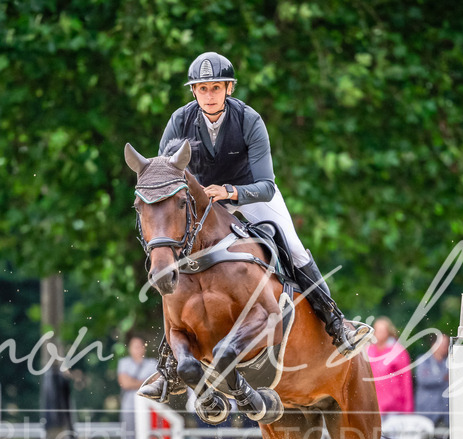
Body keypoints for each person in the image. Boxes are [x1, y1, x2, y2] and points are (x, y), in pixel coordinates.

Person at [139, 51, 370, 402]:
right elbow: (164, 174)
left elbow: (267, 185)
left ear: (229, 88)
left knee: (292, 245)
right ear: (194, 91)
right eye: (203, 89)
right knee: (171, 258)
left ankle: (336, 323)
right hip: (201, 202)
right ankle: (171, 364)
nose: (209, 95)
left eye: (216, 88)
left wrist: (230, 192)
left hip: (248, 193)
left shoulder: (249, 120)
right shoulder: (179, 120)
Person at [118, 334, 159, 439]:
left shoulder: (152, 363)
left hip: (149, 411)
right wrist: (144, 382)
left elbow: (156, 384)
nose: (137, 349)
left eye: (140, 346)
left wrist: (134, 382)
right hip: (129, 409)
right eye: (134, 346)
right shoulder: (124, 363)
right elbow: (125, 383)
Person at [366, 317, 413, 415]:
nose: (378, 333)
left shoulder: (398, 351)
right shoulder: (368, 350)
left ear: (388, 332)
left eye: (382, 331)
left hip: (394, 408)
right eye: (377, 330)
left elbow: (406, 380)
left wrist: (408, 409)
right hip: (371, 406)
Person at [415, 332, 449, 427]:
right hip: (426, 410)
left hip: (443, 413)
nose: (445, 347)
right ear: (433, 344)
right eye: (442, 344)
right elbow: (423, 379)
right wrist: (443, 378)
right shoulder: (424, 361)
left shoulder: (447, 363)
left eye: (446, 344)